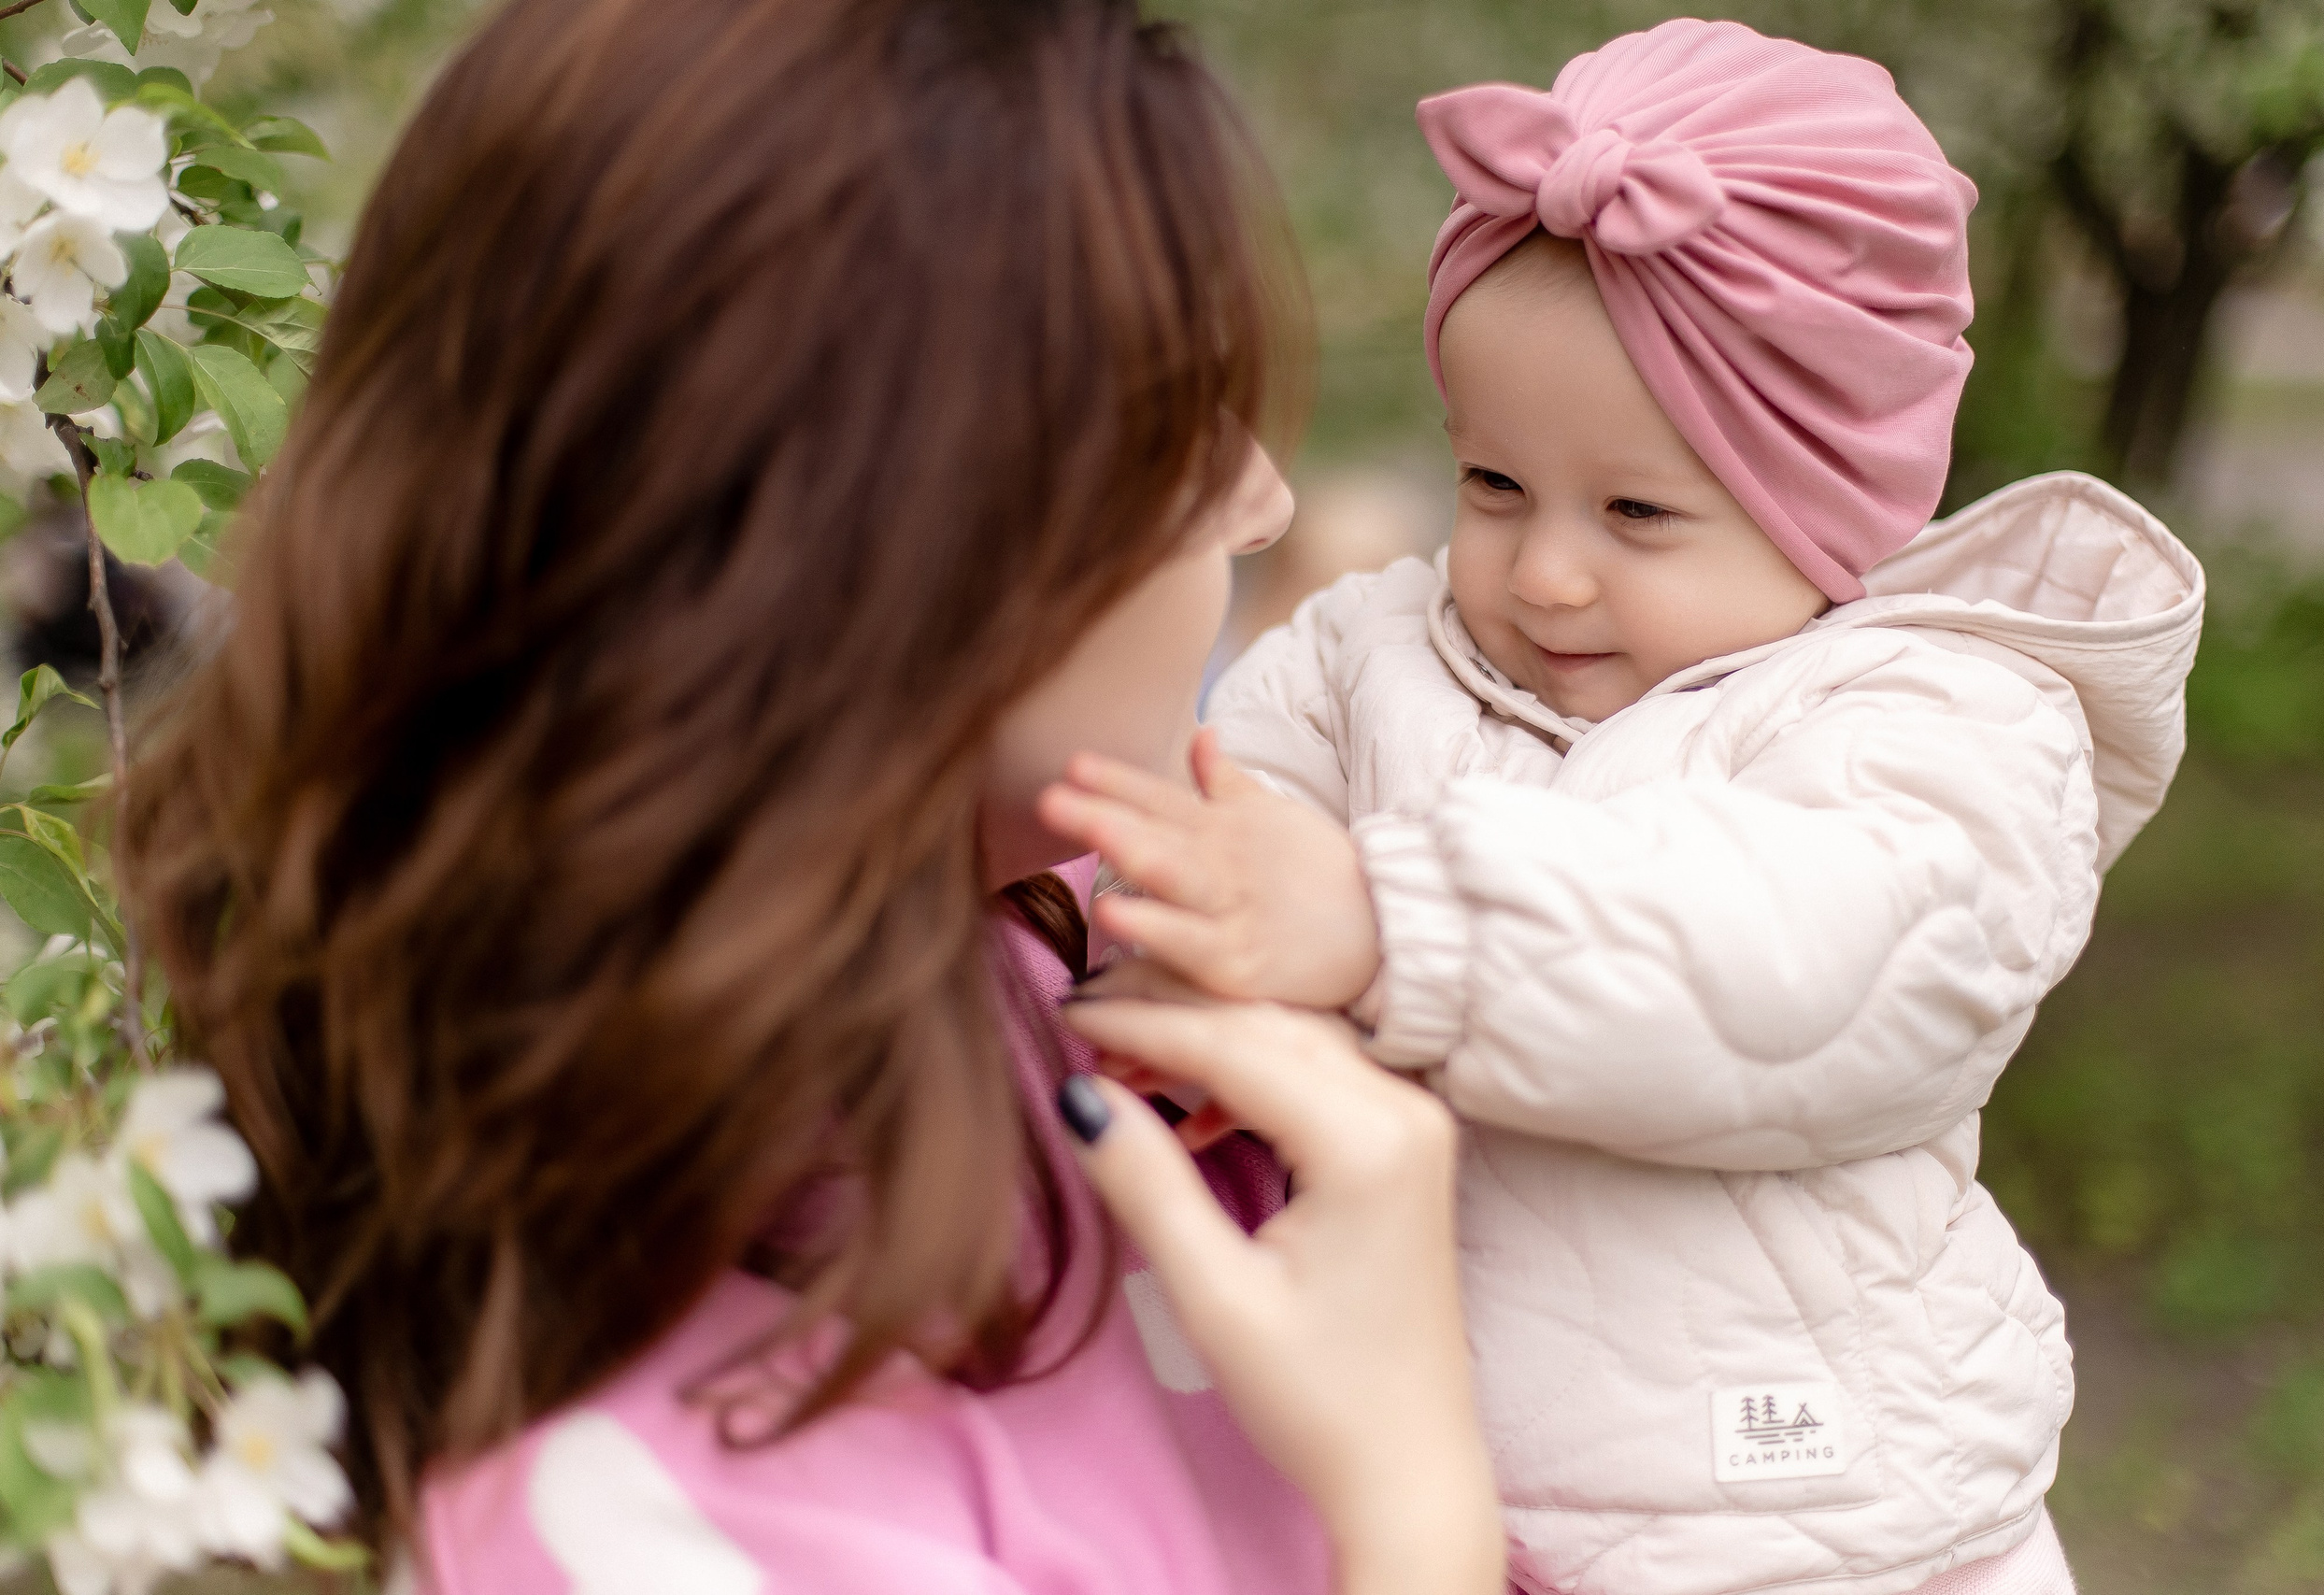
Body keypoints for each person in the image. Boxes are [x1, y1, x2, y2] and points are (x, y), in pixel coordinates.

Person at [120, 1, 1506, 1590]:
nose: (1262, 496)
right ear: (913, 541)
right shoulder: (636, 1516)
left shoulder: (1040, 984)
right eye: (1186, 410)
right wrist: (1416, 1507)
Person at [1037, 21, 2206, 1595]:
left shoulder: (1942, 723)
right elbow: (1229, 827)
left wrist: (1385, 924)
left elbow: (1812, 959)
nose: (1547, 571)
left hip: (1822, 1531)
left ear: (1830, 508)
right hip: (1439, 1502)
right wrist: (1192, 967)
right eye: (1493, 487)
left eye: (1638, 511)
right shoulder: (1370, 653)